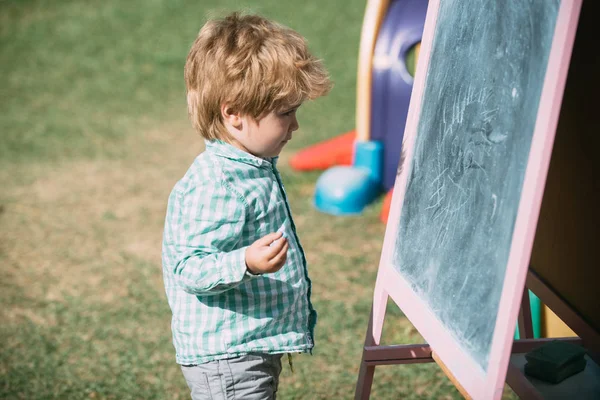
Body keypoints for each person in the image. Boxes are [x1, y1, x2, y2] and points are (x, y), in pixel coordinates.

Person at [162, 11, 332, 399]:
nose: (295, 126)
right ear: (233, 113)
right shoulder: (217, 183)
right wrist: (244, 262)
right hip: (227, 356)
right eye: (285, 112)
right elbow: (188, 267)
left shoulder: (251, 168)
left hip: (248, 346)